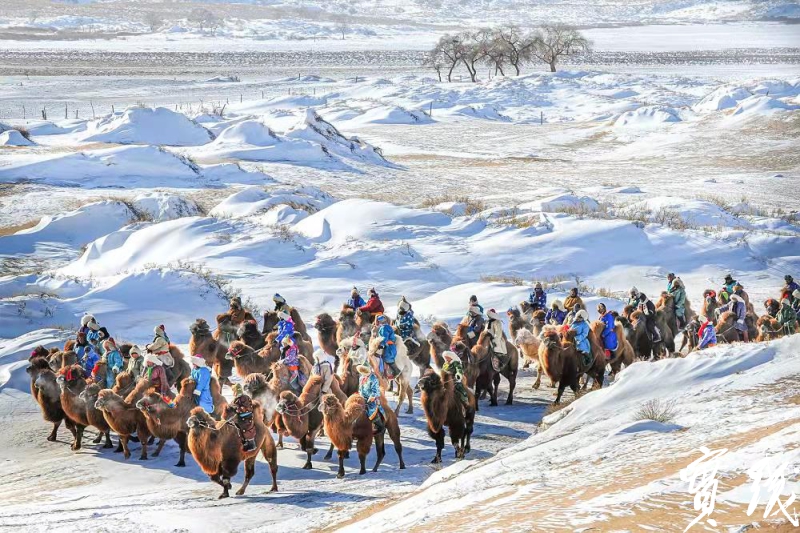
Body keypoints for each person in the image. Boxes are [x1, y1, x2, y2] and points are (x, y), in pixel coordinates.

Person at [357, 363, 384, 433]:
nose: (363, 373)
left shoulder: (374, 379)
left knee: (371, 409)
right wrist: (360, 396)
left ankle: (378, 425)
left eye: (365, 371)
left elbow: (376, 391)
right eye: (362, 371)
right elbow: (360, 389)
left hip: (371, 399)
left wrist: (372, 396)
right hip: (362, 398)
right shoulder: (361, 378)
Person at [231, 384, 257, 452]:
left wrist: (238, 409)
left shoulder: (244, 398)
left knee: (246, 429)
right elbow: (232, 406)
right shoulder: (237, 399)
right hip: (240, 417)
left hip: (246, 417)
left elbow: (247, 408)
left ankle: (249, 444)